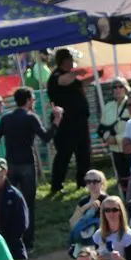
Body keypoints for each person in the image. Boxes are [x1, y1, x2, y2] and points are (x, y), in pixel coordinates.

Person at [0, 86, 63, 251]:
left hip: (9, 165)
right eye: (33, 99)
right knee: (28, 204)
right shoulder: (31, 117)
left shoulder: (6, 118)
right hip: (27, 165)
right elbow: (46, 137)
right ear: (29, 100)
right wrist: (57, 120)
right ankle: (28, 242)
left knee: (8, 203)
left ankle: (9, 241)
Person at [46, 48, 91, 192]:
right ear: (65, 60)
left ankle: (83, 183)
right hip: (65, 123)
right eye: (71, 59)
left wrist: (95, 76)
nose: (73, 62)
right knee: (64, 154)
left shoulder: (72, 77)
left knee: (84, 153)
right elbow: (63, 81)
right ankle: (56, 185)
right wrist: (77, 72)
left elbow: (80, 84)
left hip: (80, 121)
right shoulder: (57, 76)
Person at [100, 77, 131, 185]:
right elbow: (102, 127)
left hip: (130, 147)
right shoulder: (108, 106)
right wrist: (106, 137)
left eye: (120, 86)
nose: (118, 89)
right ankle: (125, 200)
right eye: (115, 87)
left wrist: (117, 139)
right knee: (122, 178)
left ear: (126, 88)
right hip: (115, 149)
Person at [68, 169, 108, 257]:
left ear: (102, 183)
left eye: (95, 181)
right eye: (88, 181)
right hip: (84, 240)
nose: (91, 184)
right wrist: (88, 206)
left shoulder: (107, 200)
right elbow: (72, 222)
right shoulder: (83, 202)